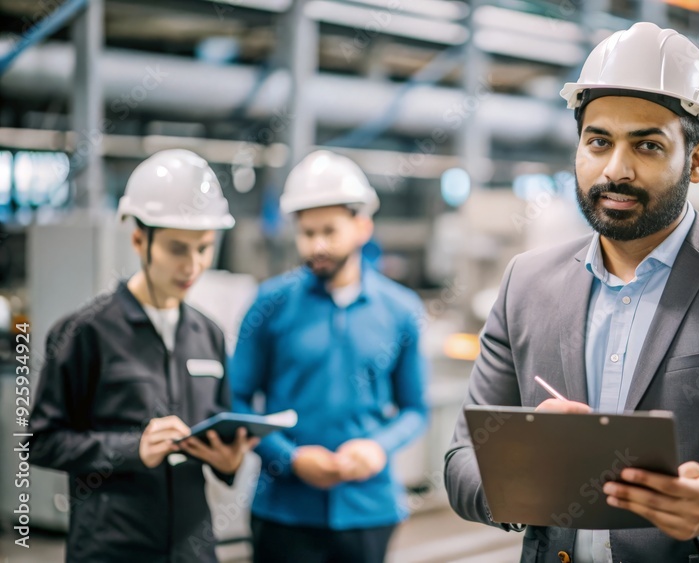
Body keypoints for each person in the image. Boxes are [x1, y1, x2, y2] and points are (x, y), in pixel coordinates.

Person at [444, 23, 699, 563]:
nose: (615, 169)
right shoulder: (526, 284)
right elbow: (463, 458)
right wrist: (526, 478)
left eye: (648, 145)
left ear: (698, 160)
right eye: (598, 142)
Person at [31, 149, 258, 563]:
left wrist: (229, 461)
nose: (193, 265)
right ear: (139, 238)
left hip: (192, 548)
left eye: (204, 248)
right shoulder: (86, 333)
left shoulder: (207, 334)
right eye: (177, 248)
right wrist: (133, 448)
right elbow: (43, 441)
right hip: (112, 548)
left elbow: (220, 429)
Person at [230, 150, 428, 563]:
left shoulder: (401, 310)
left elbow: (415, 409)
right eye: (307, 232)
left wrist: (378, 447)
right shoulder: (269, 305)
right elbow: (237, 400)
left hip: (369, 510)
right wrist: (289, 458)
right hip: (283, 510)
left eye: (329, 231)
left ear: (362, 226)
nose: (316, 244)